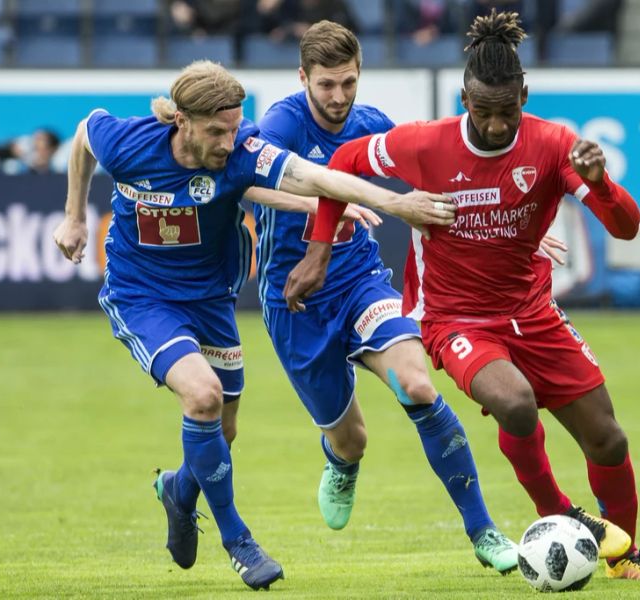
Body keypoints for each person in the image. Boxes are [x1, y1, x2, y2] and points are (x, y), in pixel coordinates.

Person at [284, 9, 640, 580]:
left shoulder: (553, 144)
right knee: (514, 403)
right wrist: (319, 251)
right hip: (456, 320)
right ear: (465, 100)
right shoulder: (424, 145)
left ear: (524, 95)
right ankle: (559, 514)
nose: (496, 126)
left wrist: (599, 184)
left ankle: (626, 558)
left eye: (507, 112)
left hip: (534, 313)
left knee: (608, 439)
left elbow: (626, 227)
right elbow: (342, 162)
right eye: (484, 112)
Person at [51, 60, 455, 591]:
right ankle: (238, 540)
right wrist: (75, 215)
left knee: (224, 429)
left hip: (211, 299)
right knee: (203, 397)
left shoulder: (241, 151)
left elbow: (315, 175)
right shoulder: (129, 142)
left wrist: (391, 202)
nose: (230, 140)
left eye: (236, 126)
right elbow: (83, 135)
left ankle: (179, 490)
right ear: (181, 121)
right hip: (143, 296)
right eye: (217, 131)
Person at [248, 19, 521, 574]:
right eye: (325, 85)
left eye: (348, 82)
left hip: (360, 283)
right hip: (296, 301)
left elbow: (449, 175)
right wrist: (332, 201)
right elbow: (247, 184)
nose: (338, 97)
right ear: (303, 78)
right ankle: (341, 462)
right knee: (351, 439)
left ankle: (483, 530)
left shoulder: (371, 125)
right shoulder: (280, 123)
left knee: (417, 384)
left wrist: (521, 227)